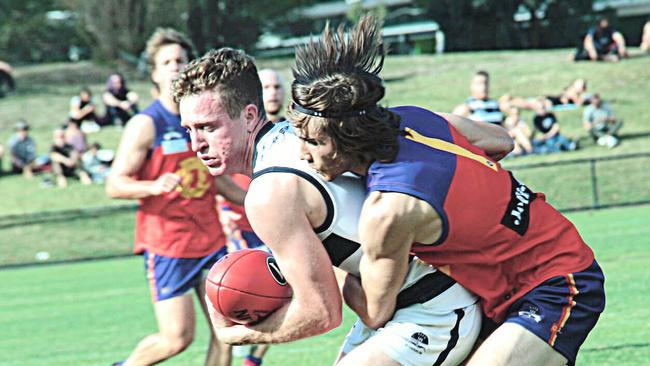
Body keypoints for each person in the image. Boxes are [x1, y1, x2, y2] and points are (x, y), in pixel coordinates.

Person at [284, 16, 604, 366]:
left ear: (349, 138)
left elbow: (375, 312)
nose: (303, 153)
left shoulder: (390, 209)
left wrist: (334, 255)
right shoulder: (418, 119)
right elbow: (500, 139)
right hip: (505, 284)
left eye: (314, 140)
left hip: (557, 282)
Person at [173, 46, 512, 365]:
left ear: (249, 116)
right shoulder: (318, 132)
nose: (196, 144)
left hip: (434, 311)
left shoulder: (267, 193)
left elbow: (320, 313)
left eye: (208, 127)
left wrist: (232, 333)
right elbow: (497, 140)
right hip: (413, 302)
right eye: (188, 129)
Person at [106, 28, 243, 366]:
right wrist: (152, 186)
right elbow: (115, 184)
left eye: (181, 60)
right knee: (176, 339)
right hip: (169, 245)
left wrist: (256, 199)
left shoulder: (202, 120)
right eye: (166, 62)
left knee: (228, 332)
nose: (175, 67)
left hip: (210, 240)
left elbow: (217, 181)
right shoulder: (146, 124)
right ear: (153, 72)